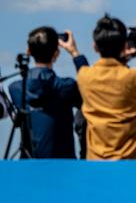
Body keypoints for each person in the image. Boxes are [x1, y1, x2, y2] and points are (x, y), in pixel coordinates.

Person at [76, 14, 136, 159]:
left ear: (95, 46)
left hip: (98, 162)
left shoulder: (84, 76)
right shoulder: (134, 77)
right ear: (124, 46)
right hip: (133, 163)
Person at [7, 27, 88, 158]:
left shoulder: (16, 89)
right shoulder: (67, 87)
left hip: (29, 164)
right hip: (64, 164)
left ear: (28, 51)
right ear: (56, 53)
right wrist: (75, 52)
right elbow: (92, 92)